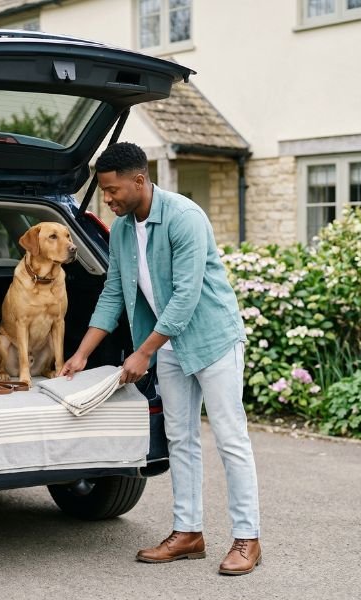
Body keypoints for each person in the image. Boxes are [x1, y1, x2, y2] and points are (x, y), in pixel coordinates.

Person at [59, 142, 261, 575]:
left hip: (211, 340)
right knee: (180, 439)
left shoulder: (185, 218)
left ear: (139, 180)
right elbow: (113, 293)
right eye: (103, 192)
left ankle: (247, 539)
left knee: (230, 439)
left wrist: (142, 353)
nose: (107, 199)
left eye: (112, 191)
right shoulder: (123, 230)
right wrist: (81, 354)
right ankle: (188, 533)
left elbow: (186, 297)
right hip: (166, 343)